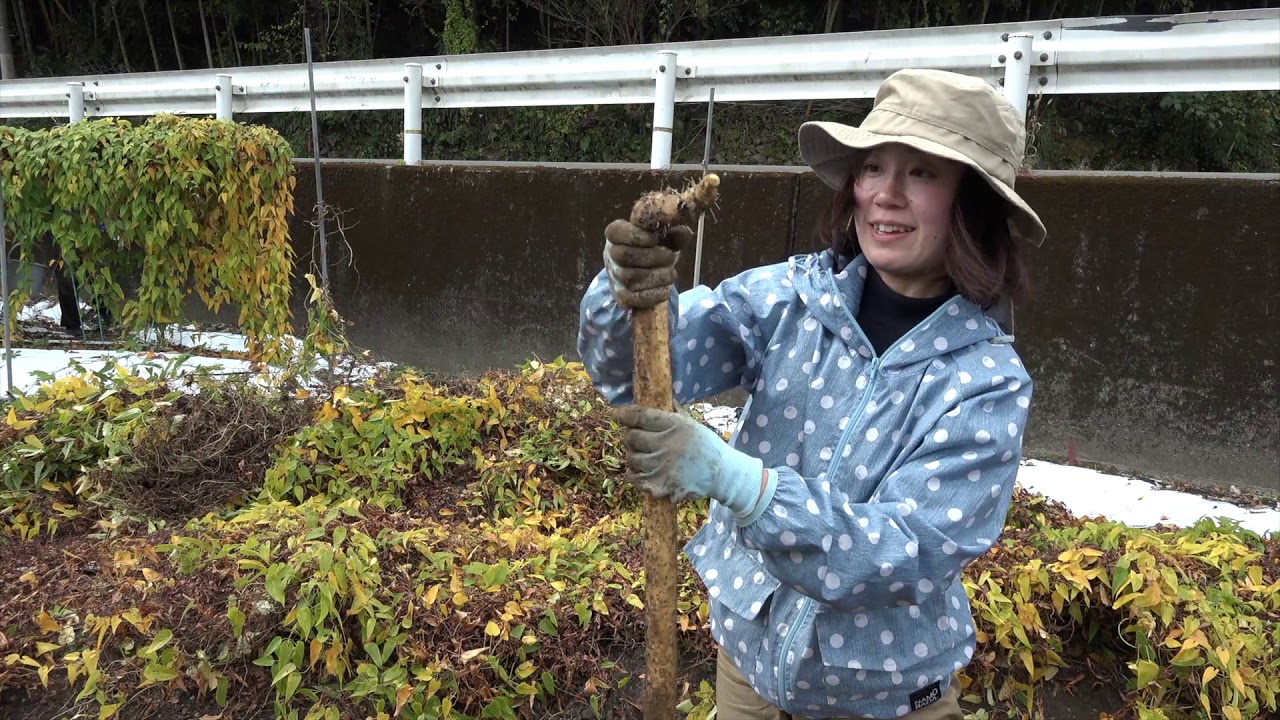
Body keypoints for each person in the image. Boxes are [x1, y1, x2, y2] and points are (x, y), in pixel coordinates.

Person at [577, 68, 1045, 720]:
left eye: (922, 174)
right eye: (873, 167)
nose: (885, 194)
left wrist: (739, 482)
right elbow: (640, 372)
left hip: (883, 695)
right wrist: (628, 294)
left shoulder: (985, 383)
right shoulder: (795, 301)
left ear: (974, 202)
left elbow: (902, 552)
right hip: (750, 666)